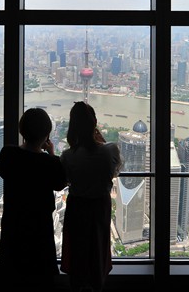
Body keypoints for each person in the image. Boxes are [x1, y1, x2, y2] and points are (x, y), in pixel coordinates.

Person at [0, 107, 67, 291]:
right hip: (39, 229)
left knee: (11, 275)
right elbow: (59, 183)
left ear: (21, 130)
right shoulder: (49, 163)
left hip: (13, 225)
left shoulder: (7, 154)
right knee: (40, 278)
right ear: (46, 135)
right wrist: (51, 154)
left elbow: (3, 170)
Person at [60, 101, 122, 292]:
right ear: (94, 122)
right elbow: (116, 170)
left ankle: (77, 284)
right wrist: (102, 141)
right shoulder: (110, 150)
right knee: (98, 246)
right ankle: (97, 284)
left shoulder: (67, 155)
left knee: (78, 249)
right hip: (99, 206)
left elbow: (65, 180)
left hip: (77, 206)